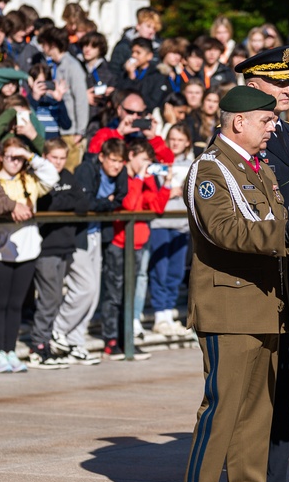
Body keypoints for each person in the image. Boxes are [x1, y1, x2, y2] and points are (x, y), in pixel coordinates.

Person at [181, 85, 289, 482]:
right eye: (266, 120)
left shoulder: (257, 170)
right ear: (238, 121)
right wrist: (286, 230)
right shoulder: (210, 169)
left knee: (257, 409)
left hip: (264, 304)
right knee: (223, 406)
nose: (273, 126)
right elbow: (224, 229)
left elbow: (272, 223)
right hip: (229, 305)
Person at [235, 45, 289, 482]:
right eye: (277, 82)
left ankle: (276, 480)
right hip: (263, 264)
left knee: (284, 376)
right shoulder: (244, 136)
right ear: (252, 85)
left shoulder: (283, 133)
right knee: (257, 382)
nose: (288, 89)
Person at [0, 136, 59, 373]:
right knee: (0, 303)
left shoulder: (29, 179)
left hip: (27, 249)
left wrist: (29, 156)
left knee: (16, 304)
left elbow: (52, 176)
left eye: (19, 157)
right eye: (10, 156)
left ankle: (11, 350)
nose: (15, 161)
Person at [51, 138, 128, 364]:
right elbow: (84, 203)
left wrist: (105, 201)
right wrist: (107, 201)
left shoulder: (120, 172)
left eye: (120, 161)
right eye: (113, 160)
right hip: (80, 235)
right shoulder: (86, 169)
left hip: (97, 235)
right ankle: (58, 329)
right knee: (85, 287)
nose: (117, 166)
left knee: (93, 294)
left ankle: (75, 341)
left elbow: (120, 199)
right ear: (102, 157)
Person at [100, 138, 170, 359]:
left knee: (130, 294)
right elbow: (129, 204)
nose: (145, 164)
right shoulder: (124, 177)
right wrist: (140, 177)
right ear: (131, 156)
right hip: (120, 243)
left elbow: (156, 207)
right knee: (115, 293)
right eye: (143, 160)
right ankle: (111, 340)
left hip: (139, 243)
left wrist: (166, 184)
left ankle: (127, 338)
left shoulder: (144, 179)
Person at [29, 139, 91, 368]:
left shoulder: (67, 176)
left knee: (55, 296)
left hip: (65, 246)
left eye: (62, 158)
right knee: (49, 297)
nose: (58, 162)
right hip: (46, 247)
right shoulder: (41, 178)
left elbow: (83, 203)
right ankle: (39, 345)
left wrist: (62, 202)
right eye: (54, 158)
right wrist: (67, 202)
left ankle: (46, 342)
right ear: (45, 157)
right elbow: (46, 204)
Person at [148, 123, 193, 336]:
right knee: (160, 271)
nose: (175, 143)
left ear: (187, 143)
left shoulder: (193, 164)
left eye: (179, 139)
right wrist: (168, 190)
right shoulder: (158, 163)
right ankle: (159, 315)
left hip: (181, 224)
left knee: (175, 273)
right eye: (172, 139)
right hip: (160, 222)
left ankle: (168, 313)